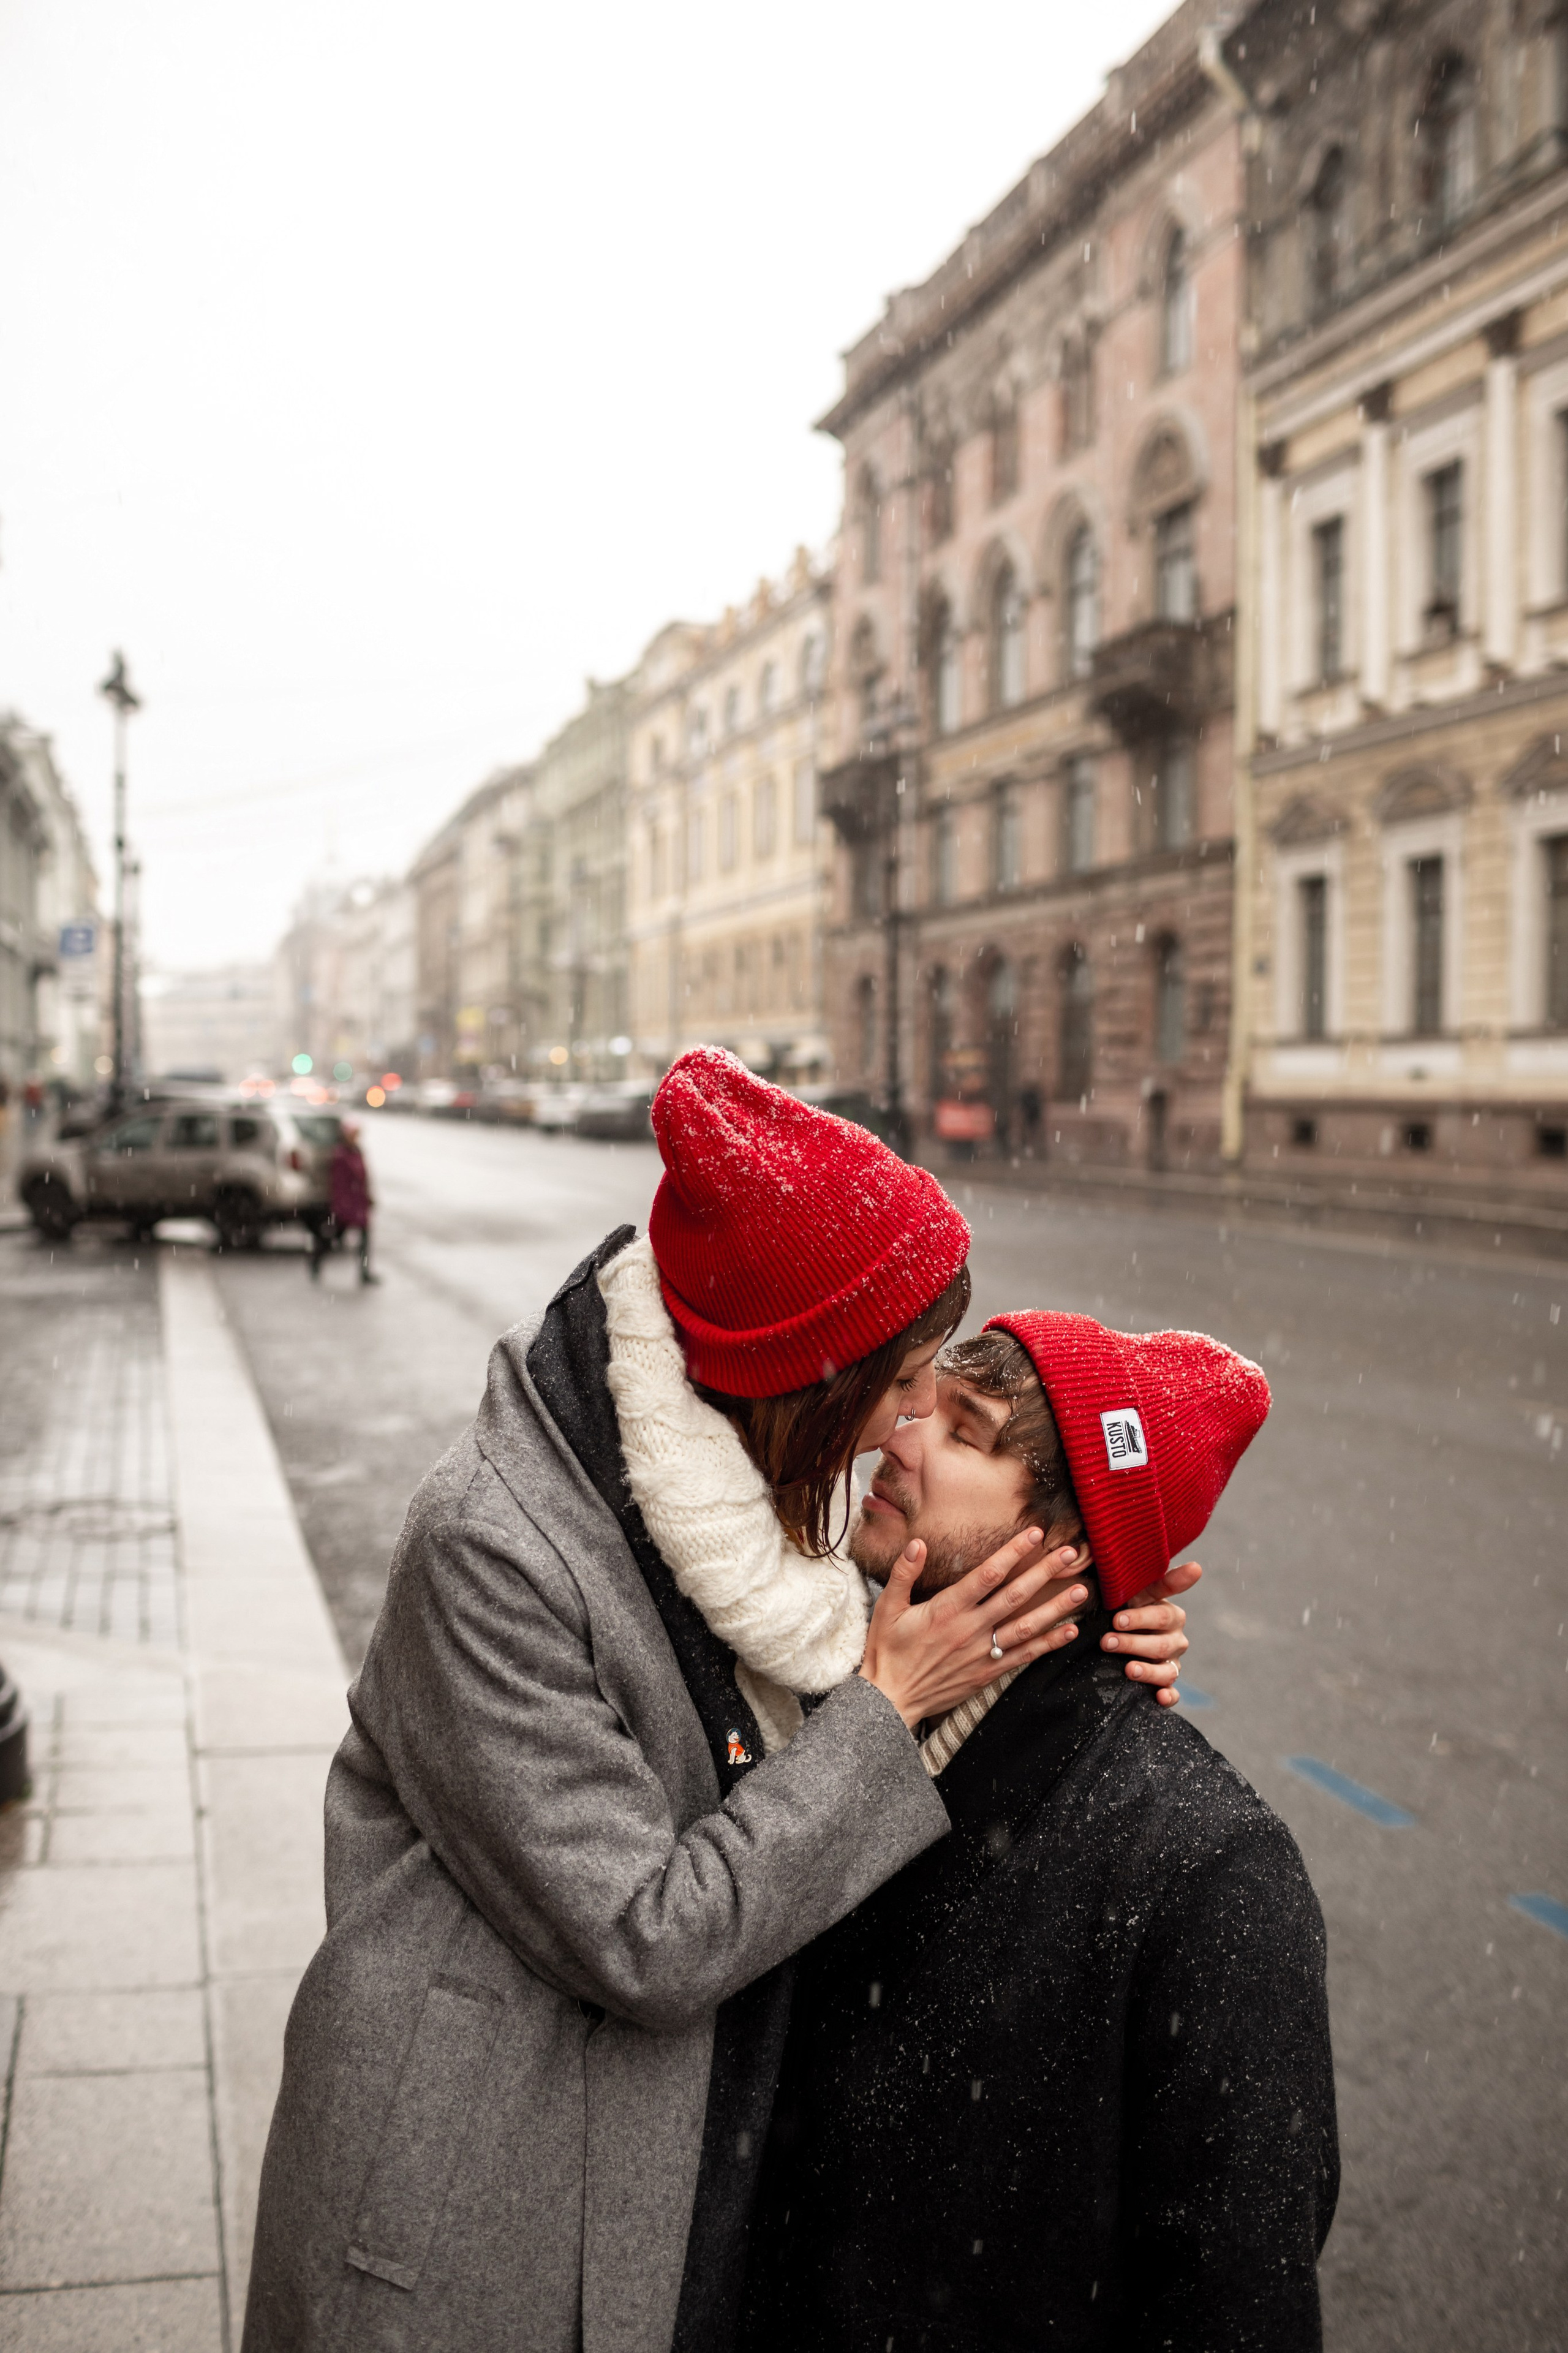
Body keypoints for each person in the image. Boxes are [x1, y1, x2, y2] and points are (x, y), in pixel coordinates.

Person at [243, 1052, 1190, 2353]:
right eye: (902, 1381)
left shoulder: (774, 1513)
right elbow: (648, 1937)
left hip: (674, 2169)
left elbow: (947, 1578)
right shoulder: (494, 1549)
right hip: (475, 2215)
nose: (908, 1426)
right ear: (802, 1381)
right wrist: (884, 1701)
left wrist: (1089, 1622)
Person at [745, 1312, 1338, 2353]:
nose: (900, 1435)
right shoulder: (817, 1694)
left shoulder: (1205, 1865)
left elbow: (1236, 2300)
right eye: (920, 1404)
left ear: (1063, 1544)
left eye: (963, 1432)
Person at [311, 1118, 376, 1283]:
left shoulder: (357, 1152)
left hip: (358, 1204)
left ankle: (364, 1272)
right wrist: (342, 1206)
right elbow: (338, 1184)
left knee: (364, 1239)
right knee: (334, 1239)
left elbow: (363, 1178)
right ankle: (316, 1261)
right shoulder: (340, 1156)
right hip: (345, 1206)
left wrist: (368, 1197)